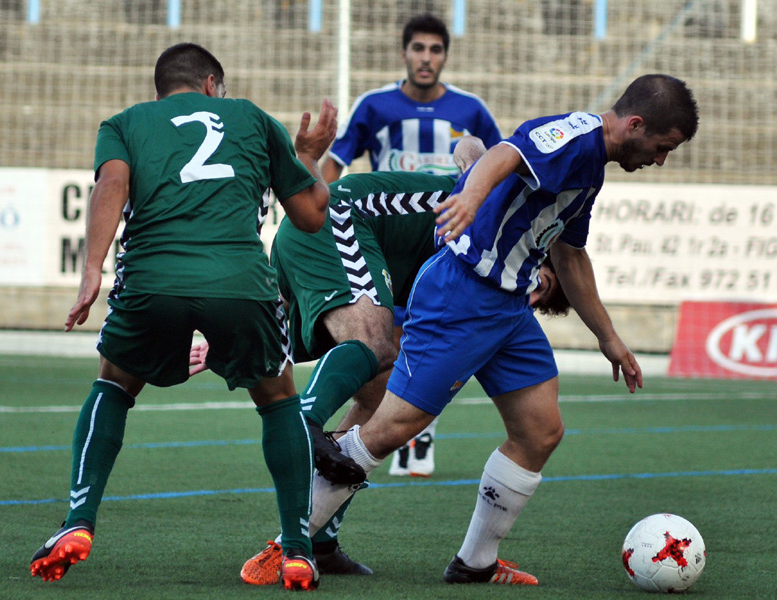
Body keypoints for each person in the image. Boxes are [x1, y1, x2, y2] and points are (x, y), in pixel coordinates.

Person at [304, 74, 699, 586]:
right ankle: (286, 542)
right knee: (391, 429)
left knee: (540, 431)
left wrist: (609, 337)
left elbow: (570, 254)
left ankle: (475, 562)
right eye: (662, 148)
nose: (660, 160)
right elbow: (506, 153)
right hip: (463, 295)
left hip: (509, 307)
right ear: (636, 124)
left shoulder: (593, 167)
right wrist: (469, 198)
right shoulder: (574, 136)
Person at [190, 138, 569, 586]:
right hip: (342, 221)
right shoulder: (499, 211)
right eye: (542, 284)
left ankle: (322, 541)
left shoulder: (488, 274)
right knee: (374, 344)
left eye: (538, 298)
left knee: (378, 392)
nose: (530, 293)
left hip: (357, 253)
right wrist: (478, 166)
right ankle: (304, 423)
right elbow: (470, 145)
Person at [29, 42, 337, 592]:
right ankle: (296, 550)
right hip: (240, 283)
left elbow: (112, 185)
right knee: (278, 399)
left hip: (153, 281)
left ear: (161, 91)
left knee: (114, 385)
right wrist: (309, 155)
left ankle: (77, 521)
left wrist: (92, 269)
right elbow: (311, 217)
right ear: (214, 84)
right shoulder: (252, 118)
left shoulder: (125, 123)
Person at [321, 12, 504, 477]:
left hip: (447, 246)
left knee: (423, 346)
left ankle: (405, 439)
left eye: (435, 49)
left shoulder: (471, 110)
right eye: (418, 49)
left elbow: (497, 172)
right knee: (386, 345)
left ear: (445, 55)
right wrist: (314, 211)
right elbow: (336, 164)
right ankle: (361, 435)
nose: (426, 58)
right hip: (389, 242)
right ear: (404, 53)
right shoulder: (375, 105)